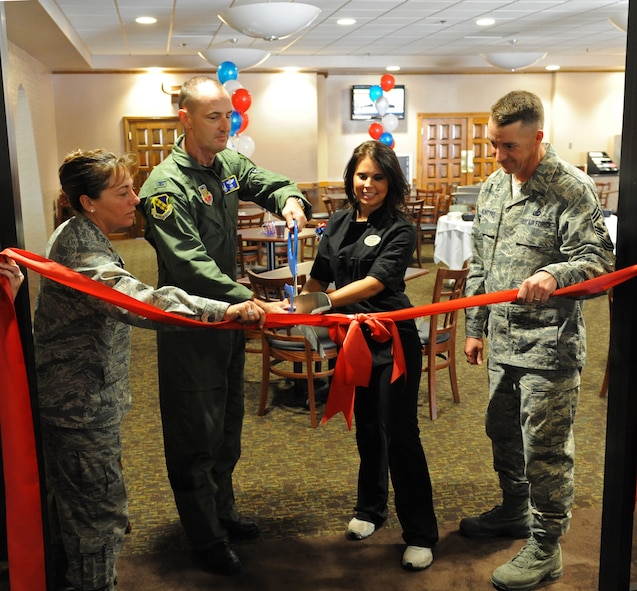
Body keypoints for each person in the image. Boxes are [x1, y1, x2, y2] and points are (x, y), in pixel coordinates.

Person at [33, 149, 273, 591]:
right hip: (79, 408)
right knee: (98, 516)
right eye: (122, 192)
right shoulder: (82, 251)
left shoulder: (82, 232)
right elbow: (140, 301)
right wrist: (225, 310)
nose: (136, 199)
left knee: (77, 507)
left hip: (82, 399)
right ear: (88, 202)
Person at [138, 75, 311, 576]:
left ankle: (223, 511)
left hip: (233, 322)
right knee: (196, 431)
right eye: (213, 116)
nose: (225, 124)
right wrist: (247, 299)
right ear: (185, 118)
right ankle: (205, 539)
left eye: (229, 114)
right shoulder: (166, 187)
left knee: (228, 422)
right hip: (193, 324)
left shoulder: (226, 164)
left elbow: (267, 181)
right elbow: (190, 263)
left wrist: (289, 199)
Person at [461, 90, 615, 591]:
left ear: (538, 138)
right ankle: (513, 510)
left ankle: (547, 547)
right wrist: (475, 327)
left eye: (509, 147)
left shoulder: (570, 188)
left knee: (544, 449)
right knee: (501, 433)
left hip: (549, 348)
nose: (500, 157)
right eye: (494, 145)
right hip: (502, 343)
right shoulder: (492, 188)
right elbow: (480, 263)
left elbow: (600, 259)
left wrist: (555, 272)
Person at [300, 140, 439, 571]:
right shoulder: (337, 223)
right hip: (352, 340)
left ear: (390, 181)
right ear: (351, 178)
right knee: (366, 428)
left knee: (400, 432)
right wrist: (301, 309)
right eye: (362, 175)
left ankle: (420, 532)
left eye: (378, 177)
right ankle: (370, 509)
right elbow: (318, 277)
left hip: (392, 339)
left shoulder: (400, 228)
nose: (369, 184)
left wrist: (326, 301)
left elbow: (378, 282)